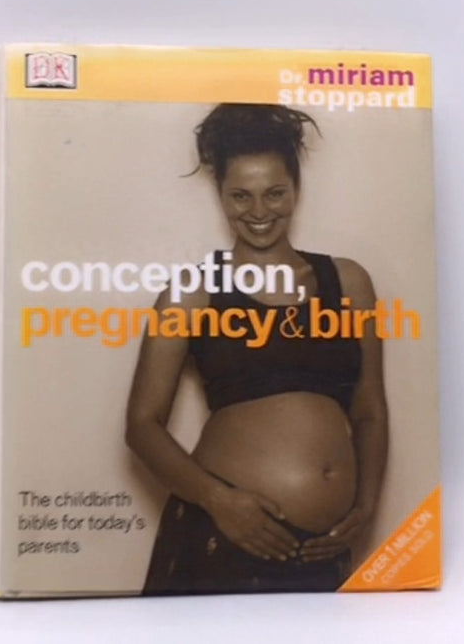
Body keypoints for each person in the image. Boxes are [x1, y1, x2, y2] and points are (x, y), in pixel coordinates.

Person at [125, 103, 388, 595]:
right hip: (224, 532)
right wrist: (220, 501)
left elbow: (370, 407)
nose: (260, 212)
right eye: (240, 196)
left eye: (275, 193)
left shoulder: (349, 281)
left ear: (297, 189)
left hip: (324, 546)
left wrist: (367, 505)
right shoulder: (192, 291)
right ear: (220, 194)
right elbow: (142, 425)